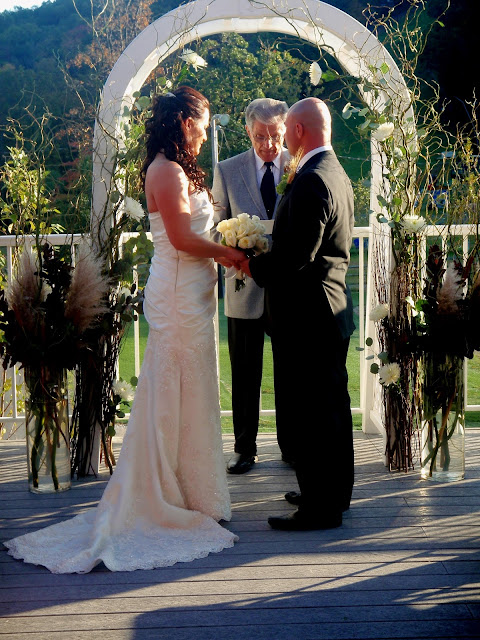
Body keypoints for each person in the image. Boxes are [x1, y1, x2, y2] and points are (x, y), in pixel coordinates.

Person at [4, 87, 244, 572]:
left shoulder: (179, 168)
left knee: (193, 390)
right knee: (170, 391)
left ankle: (195, 493)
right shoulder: (164, 169)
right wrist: (230, 253)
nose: (206, 130)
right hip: (177, 295)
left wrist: (225, 241)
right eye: (204, 122)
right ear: (184, 122)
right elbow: (178, 237)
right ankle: (160, 493)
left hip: (193, 295)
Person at [241, 97, 355, 531]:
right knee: (330, 409)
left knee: (312, 412)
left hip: (310, 317)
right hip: (329, 310)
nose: (283, 136)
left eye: (288, 128)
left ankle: (319, 510)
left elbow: (295, 258)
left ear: (300, 131)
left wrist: (250, 264)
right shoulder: (333, 172)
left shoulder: (311, 181)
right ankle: (328, 493)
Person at [212, 98, 293, 475]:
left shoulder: (299, 165)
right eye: (260, 136)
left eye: (275, 135)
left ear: (286, 130)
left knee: (290, 372)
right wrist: (232, 242)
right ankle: (244, 448)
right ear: (248, 131)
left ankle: (291, 447)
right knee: (244, 373)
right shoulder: (227, 170)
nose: (268, 145)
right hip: (243, 285)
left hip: (288, 285)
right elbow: (216, 224)